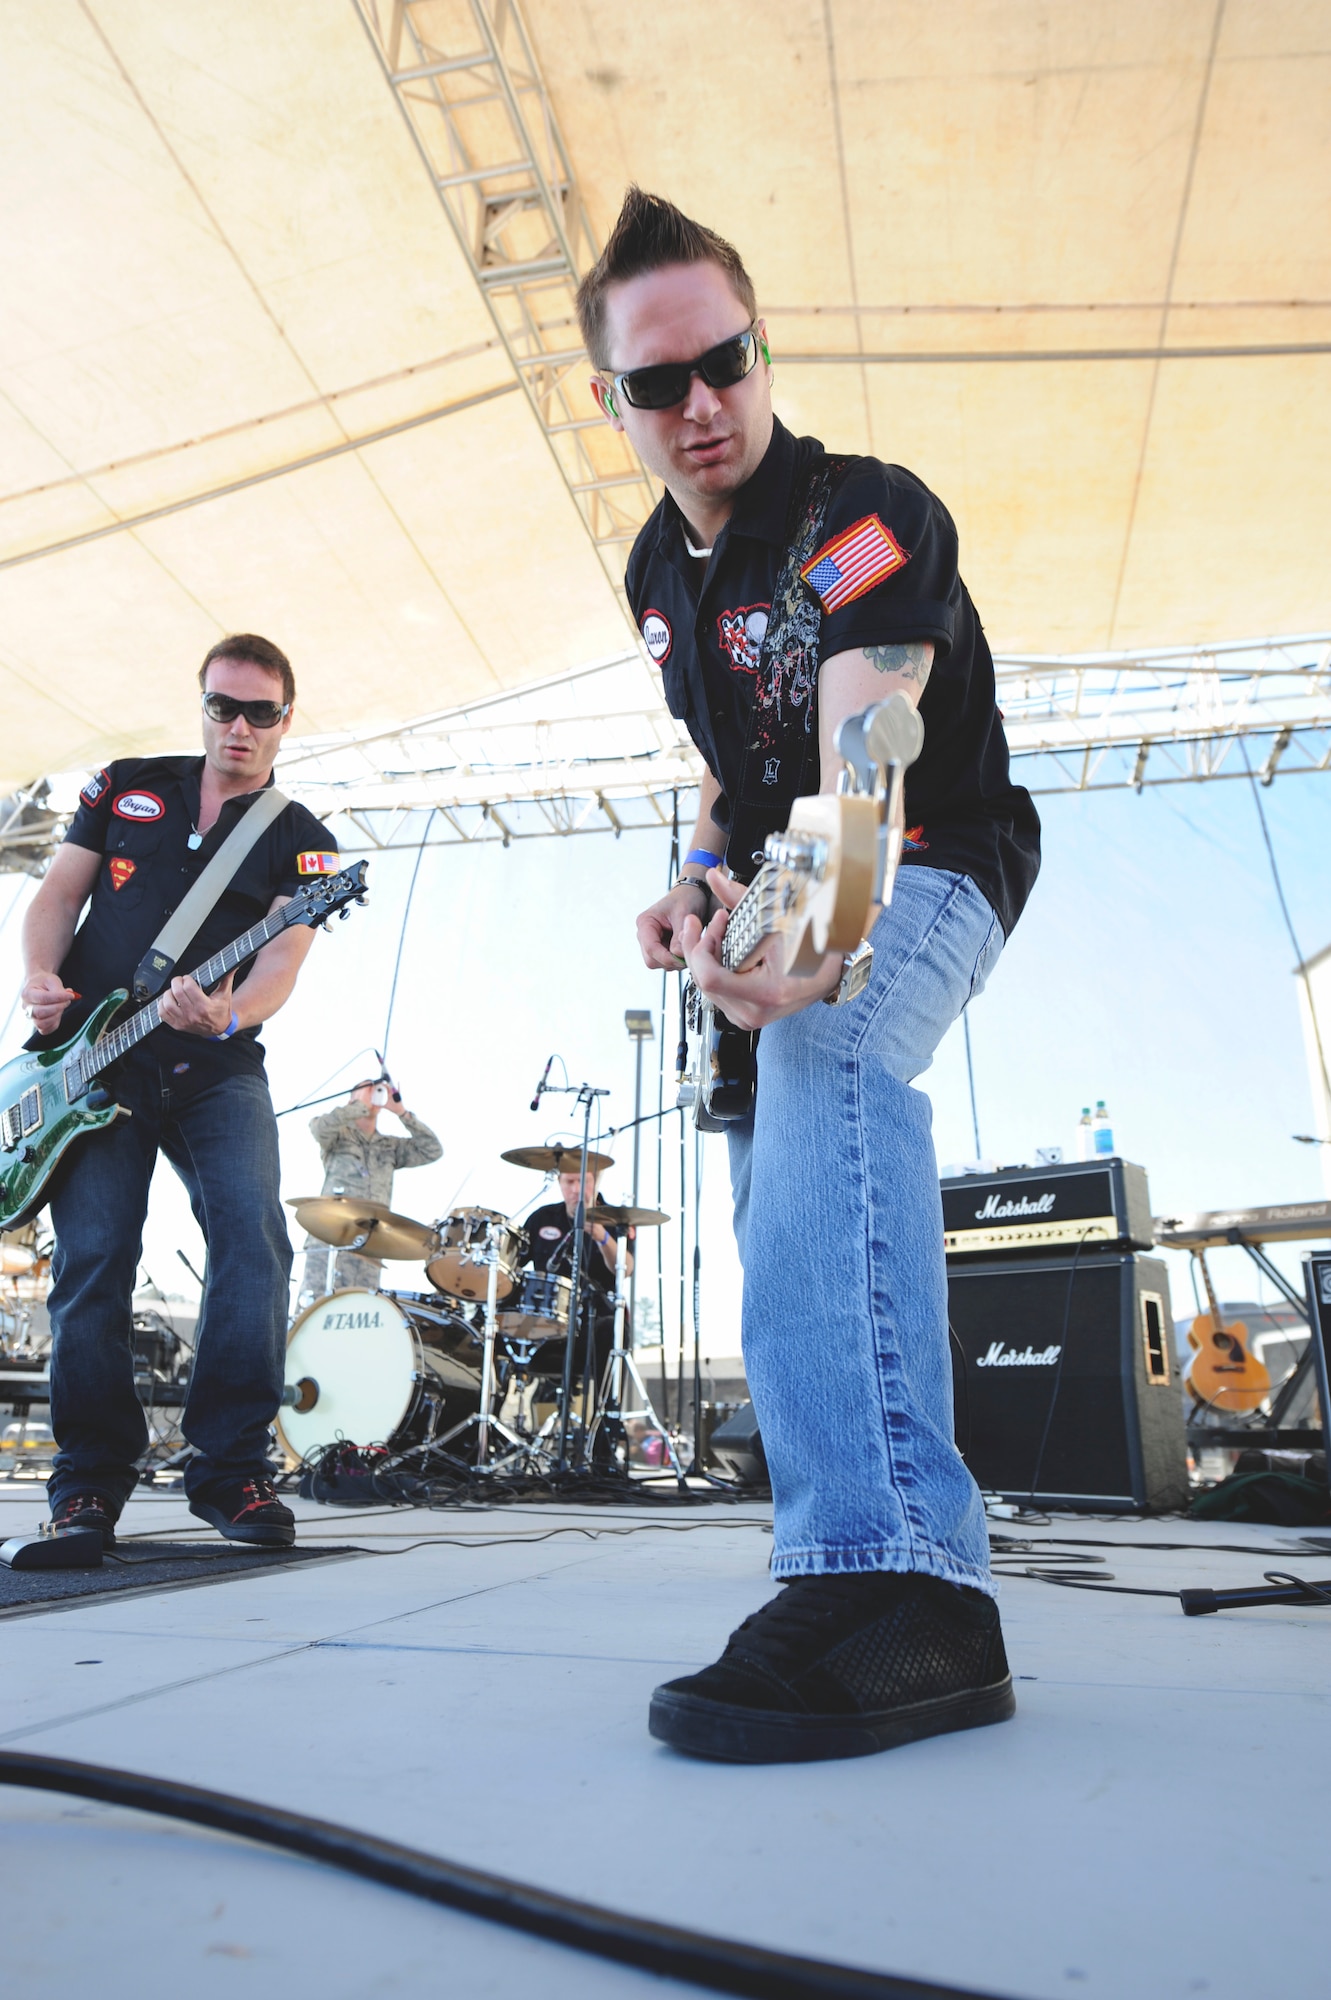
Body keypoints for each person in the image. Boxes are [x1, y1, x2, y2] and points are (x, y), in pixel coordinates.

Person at [578, 190, 1041, 1762]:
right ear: (611, 401)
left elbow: (865, 748)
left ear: (760, 349)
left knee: (828, 1051)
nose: (699, 404)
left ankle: (903, 1577)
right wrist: (695, 882)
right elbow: (730, 779)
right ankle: (846, 1561)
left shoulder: (861, 507)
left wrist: (821, 940)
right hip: (789, 874)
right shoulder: (656, 577)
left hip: (932, 857)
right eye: (658, 383)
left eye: (725, 361)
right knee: (767, 1175)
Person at [18, 633, 338, 1550]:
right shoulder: (124, 782)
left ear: (286, 718)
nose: (237, 727)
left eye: (259, 712)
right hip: (91, 1066)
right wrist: (40, 975)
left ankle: (231, 1473)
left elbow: (280, 965)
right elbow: (56, 898)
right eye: (221, 706)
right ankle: (85, 1488)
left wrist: (231, 1016)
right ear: (201, 705)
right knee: (94, 1264)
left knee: (254, 1238)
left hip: (215, 1067)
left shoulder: (297, 837)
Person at [298, 1077, 442, 1301]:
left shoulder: (390, 1146)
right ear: (351, 1099)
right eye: (365, 1091)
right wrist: (357, 1107)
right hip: (329, 1238)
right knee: (315, 1307)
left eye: (375, 1091)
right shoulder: (338, 1134)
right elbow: (319, 1128)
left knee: (360, 1313)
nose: (372, 1096)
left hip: (370, 1244)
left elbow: (432, 1149)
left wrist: (401, 1112)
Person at [523, 1167, 632, 1454]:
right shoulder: (541, 1219)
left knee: (612, 1330)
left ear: (596, 1182)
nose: (575, 1188)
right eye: (568, 1181)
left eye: (583, 1181)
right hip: (547, 1323)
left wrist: (599, 1235)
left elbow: (627, 1268)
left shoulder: (615, 1219)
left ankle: (604, 1445)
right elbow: (512, 1268)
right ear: (559, 1184)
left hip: (597, 1320)